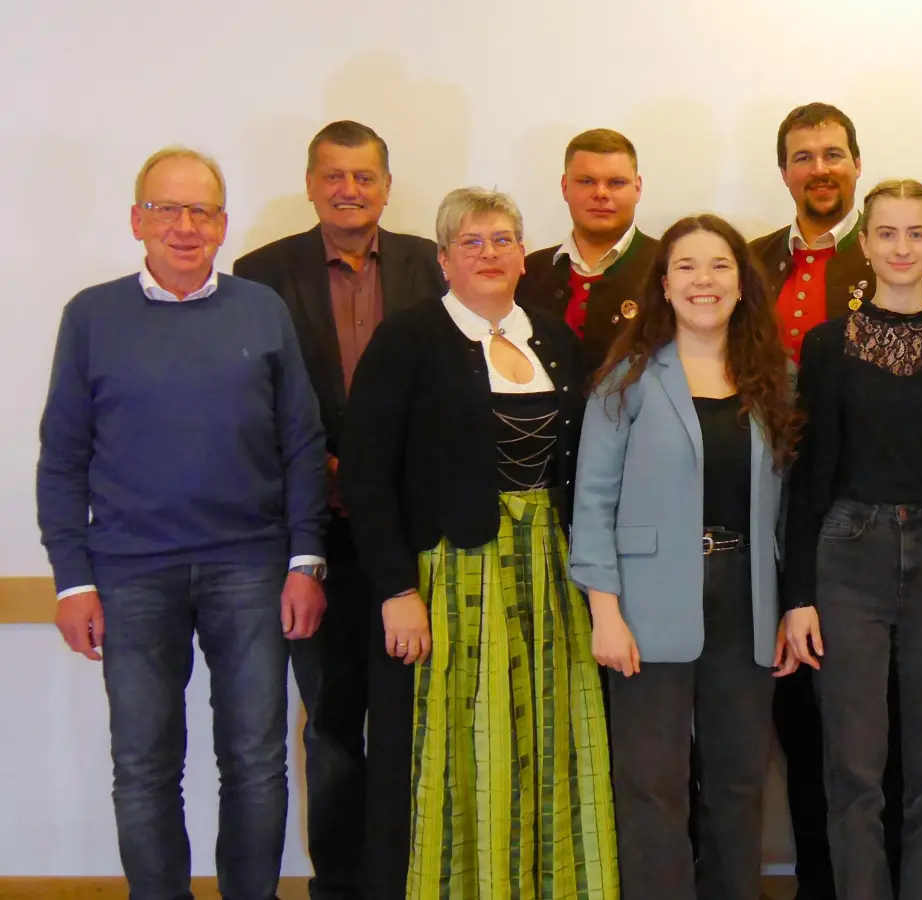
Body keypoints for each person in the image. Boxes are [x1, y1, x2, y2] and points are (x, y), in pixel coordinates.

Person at [37, 146, 328, 900]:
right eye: (166, 209)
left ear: (223, 224)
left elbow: (301, 441)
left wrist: (305, 562)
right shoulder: (92, 316)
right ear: (138, 220)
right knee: (143, 765)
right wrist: (72, 582)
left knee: (258, 763)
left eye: (201, 210)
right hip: (130, 572)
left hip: (251, 568)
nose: (184, 226)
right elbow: (62, 458)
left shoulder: (261, 311)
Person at [339, 187, 617, 899]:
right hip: (450, 576)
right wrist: (398, 590)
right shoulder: (409, 338)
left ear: (524, 255)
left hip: (550, 575)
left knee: (547, 738)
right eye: (471, 242)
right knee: (457, 745)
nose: (489, 254)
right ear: (443, 260)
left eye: (502, 240)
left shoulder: (554, 339)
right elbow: (367, 473)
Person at [232, 119, 445, 900]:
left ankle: (413, 875)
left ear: (387, 185)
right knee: (329, 725)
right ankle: (341, 885)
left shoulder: (434, 264)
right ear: (311, 183)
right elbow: (247, 398)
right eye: (333, 176)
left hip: (418, 541)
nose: (349, 190)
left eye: (364, 176)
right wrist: (316, 465)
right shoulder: (260, 274)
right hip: (314, 540)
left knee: (419, 723)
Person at [750, 101, 922, 899]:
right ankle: (824, 883)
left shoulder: (901, 272)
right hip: (787, 511)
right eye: (803, 156)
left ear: (857, 166)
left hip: (879, 517)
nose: (819, 168)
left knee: (902, 740)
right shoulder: (755, 262)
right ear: (785, 173)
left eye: (833, 153)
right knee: (812, 729)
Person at [569, 213, 803, 900]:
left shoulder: (775, 377)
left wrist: (790, 606)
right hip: (645, 602)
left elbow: (791, 507)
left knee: (738, 780)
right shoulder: (629, 375)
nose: (705, 280)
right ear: (664, 285)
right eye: (688, 267)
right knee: (652, 783)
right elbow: (593, 503)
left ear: (742, 283)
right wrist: (604, 614)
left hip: (746, 595)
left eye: (720, 266)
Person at [783, 178, 922, 900]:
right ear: (866, 244)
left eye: (916, 233)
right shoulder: (827, 346)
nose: (901, 247)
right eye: (887, 233)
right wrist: (800, 597)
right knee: (853, 766)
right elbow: (809, 475)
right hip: (848, 554)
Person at [516, 128, 660, 368]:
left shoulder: (668, 267)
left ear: (637, 188)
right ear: (564, 187)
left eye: (616, 183)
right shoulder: (529, 272)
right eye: (586, 181)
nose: (601, 193)